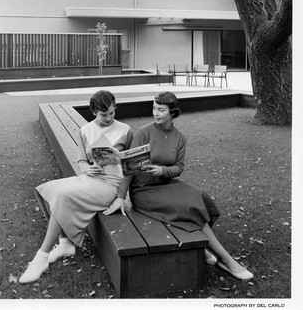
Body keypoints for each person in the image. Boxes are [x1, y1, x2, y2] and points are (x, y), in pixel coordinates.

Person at [104, 91, 254, 281]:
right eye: (154, 108)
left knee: (200, 196)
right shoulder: (144, 132)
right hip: (144, 191)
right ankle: (226, 260)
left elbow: (179, 168)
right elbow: (129, 168)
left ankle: (202, 247)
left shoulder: (180, 137)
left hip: (168, 184)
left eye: (161, 109)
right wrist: (120, 197)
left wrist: (163, 171)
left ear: (172, 112)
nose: (156, 113)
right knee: (189, 207)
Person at [19, 90, 133, 283]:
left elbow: (129, 168)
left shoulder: (125, 130)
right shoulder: (85, 130)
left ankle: (42, 257)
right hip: (90, 179)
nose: (109, 118)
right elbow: (81, 161)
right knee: (50, 189)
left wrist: (122, 196)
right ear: (94, 111)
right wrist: (87, 169)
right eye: (103, 114)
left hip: (111, 185)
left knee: (63, 197)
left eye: (112, 113)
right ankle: (64, 243)